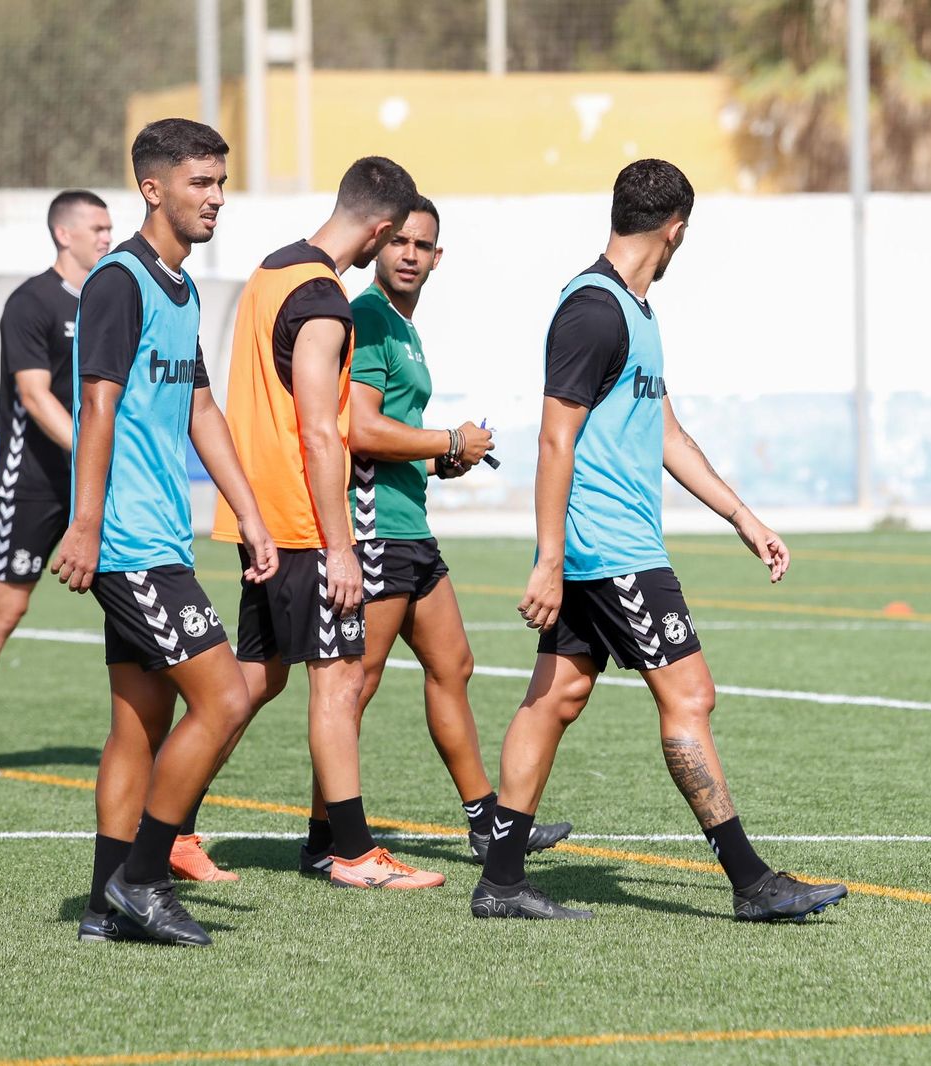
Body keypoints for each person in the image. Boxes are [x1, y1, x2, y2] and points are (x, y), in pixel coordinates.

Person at [470, 159, 850, 922]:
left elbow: (667, 434)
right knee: (690, 695)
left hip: (605, 548)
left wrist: (743, 518)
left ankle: (501, 882)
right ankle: (751, 882)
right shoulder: (593, 311)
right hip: (612, 550)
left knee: (555, 698)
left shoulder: (635, 311)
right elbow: (553, 439)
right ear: (676, 230)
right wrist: (549, 560)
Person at [51, 118, 278, 947]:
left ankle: (103, 908)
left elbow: (201, 408)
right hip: (128, 542)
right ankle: (144, 878)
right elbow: (97, 406)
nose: (215, 198)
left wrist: (249, 513)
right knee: (226, 697)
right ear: (153, 189)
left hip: (159, 537)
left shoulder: (181, 288)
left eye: (220, 183)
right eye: (200, 183)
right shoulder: (120, 282)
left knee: (139, 723)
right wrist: (85, 526)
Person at [212, 157, 443, 890]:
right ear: (380, 231)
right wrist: (341, 550)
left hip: (261, 518)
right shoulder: (324, 298)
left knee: (253, 681)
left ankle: (167, 827)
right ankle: (352, 852)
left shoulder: (269, 271)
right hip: (303, 523)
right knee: (340, 684)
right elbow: (320, 432)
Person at [345, 196, 571, 863]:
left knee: (454, 665)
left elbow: (390, 436)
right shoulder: (369, 316)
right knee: (354, 685)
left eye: (423, 245)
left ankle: (486, 822)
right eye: (400, 242)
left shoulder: (404, 326)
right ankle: (329, 837)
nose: (410, 255)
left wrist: (440, 459)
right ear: (379, 244)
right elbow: (359, 429)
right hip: (375, 528)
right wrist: (448, 439)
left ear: (437, 257)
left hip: (409, 524)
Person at [0, 190, 112, 777]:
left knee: (131, 594)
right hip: (34, 482)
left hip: (92, 477)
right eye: (97, 228)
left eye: (109, 228)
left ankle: (146, 736)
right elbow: (36, 398)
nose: (107, 237)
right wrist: (94, 454)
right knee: (6, 608)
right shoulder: (30, 302)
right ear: (64, 234)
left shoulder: (106, 299)